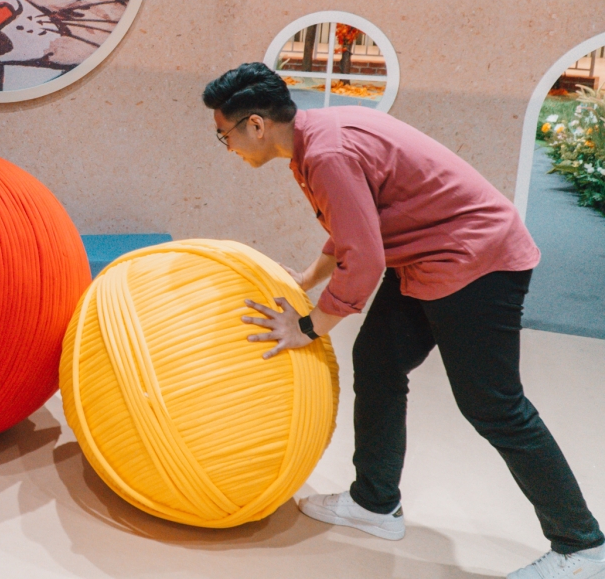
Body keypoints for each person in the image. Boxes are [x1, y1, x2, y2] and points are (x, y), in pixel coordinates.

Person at [202, 62, 604, 579]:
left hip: (475, 259)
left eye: (224, 136)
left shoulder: (325, 152)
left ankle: (581, 545)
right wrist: (308, 278)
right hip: (426, 254)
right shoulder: (313, 139)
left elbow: (365, 259)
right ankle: (375, 503)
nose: (228, 148)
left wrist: (307, 327)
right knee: (376, 362)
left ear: (255, 124)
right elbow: (353, 223)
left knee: (494, 406)